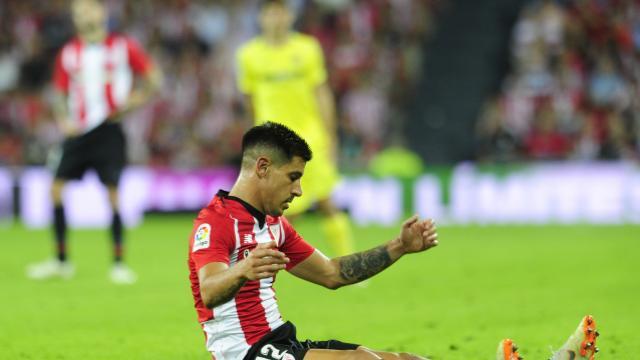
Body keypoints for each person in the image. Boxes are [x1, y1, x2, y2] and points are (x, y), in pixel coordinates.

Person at [188, 122, 601, 360]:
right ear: (262, 167)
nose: (299, 191)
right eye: (293, 177)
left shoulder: (273, 226)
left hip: (282, 342)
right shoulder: (216, 222)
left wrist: (398, 247)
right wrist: (243, 268)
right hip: (247, 356)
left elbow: (332, 273)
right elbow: (208, 291)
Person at [27, 0, 161, 284]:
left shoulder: (123, 47)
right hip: (79, 132)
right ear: (75, 19)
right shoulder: (69, 53)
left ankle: (118, 263)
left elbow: (153, 78)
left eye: (89, 9)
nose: (84, 15)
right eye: (78, 12)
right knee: (55, 188)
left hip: (109, 128)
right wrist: (63, 120)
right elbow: (60, 93)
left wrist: (135, 101)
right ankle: (61, 261)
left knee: (112, 193)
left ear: (102, 12)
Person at [236, 0, 354, 257]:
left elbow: (321, 92)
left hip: (311, 138)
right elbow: (249, 102)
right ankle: (279, 264)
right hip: (275, 143)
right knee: (284, 207)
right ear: (262, 18)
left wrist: (330, 134)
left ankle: (347, 261)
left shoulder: (308, 49)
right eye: (270, 13)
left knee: (326, 201)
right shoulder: (248, 55)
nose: (276, 18)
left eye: (281, 12)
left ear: (290, 16)